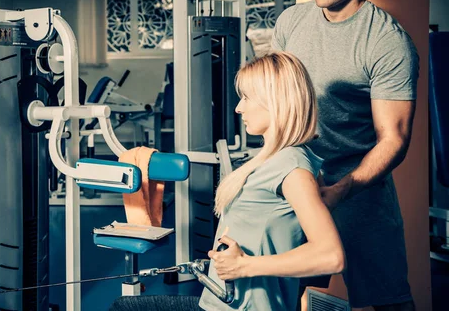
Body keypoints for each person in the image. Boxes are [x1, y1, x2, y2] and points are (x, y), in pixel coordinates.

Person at [110, 52, 345, 311]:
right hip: (221, 302)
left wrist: (246, 266)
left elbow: (330, 256)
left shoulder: (291, 167)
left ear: (275, 101)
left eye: (246, 97)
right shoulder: (282, 159)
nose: (238, 107)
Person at [270, 0, 419, 311]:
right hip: (300, 178)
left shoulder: (387, 41)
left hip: (358, 186)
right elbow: (278, 102)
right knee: (285, 290)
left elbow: (394, 139)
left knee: (389, 300)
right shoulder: (291, 22)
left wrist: (342, 190)